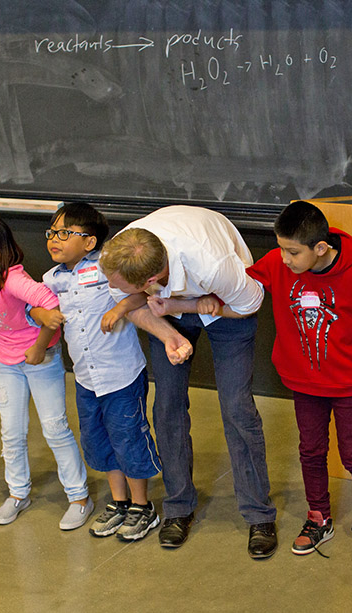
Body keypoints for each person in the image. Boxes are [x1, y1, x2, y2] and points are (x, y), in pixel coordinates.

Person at [99, 205, 277, 559]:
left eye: (117, 285)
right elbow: (131, 303)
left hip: (227, 305)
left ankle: (259, 513)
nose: (109, 286)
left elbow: (250, 304)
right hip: (168, 307)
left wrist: (194, 304)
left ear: (149, 281)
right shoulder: (121, 255)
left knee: (237, 408)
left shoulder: (212, 265)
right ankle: (178, 507)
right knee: (167, 406)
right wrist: (168, 336)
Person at [246, 201, 352, 560]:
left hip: (348, 384)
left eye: (293, 251)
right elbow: (241, 283)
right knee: (310, 451)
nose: (284, 258)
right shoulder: (279, 265)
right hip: (303, 382)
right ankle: (318, 517)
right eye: (280, 248)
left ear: (320, 248)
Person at [0, 215, 93, 530]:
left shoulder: (13, 281)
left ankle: (79, 497)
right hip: (6, 362)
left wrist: (40, 347)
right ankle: (18, 493)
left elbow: (53, 310)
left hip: (40, 359)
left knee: (55, 428)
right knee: (11, 433)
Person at [29, 203, 163, 541]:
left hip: (120, 374)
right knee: (99, 440)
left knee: (128, 437)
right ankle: (119, 503)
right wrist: (40, 315)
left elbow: (141, 293)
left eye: (64, 233)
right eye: (52, 233)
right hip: (86, 378)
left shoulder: (107, 268)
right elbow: (34, 305)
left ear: (90, 242)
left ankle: (142, 506)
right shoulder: (53, 278)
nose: (54, 240)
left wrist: (119, 308)